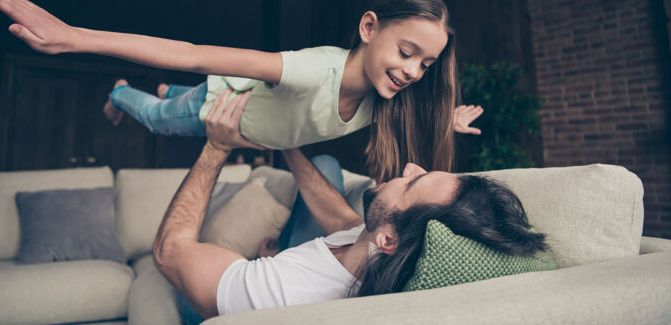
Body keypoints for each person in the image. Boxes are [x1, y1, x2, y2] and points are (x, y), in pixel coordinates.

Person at [0, 0, 482, 181]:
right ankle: (120, 92)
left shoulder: (387, 99)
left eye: (427, 64)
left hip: (250, 112)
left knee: (177, 100)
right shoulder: (312, 70)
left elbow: (423, 107)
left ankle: (164, 95)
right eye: (407, 53)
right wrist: (74, 37)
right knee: (159, 121)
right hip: (222, 106)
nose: (414, 72)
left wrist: (448, 122)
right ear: (369, 29)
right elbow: (194, 54)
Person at [154, 89, 546, 321]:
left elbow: (169, 252)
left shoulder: (281, 293)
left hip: (201, 304)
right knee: (324, 168)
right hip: (287, 265)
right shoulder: (375, 250)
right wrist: (284, 142)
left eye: (414, 181)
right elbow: (338, 216)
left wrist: (217, 146)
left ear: (389, 239)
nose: (410, 166)